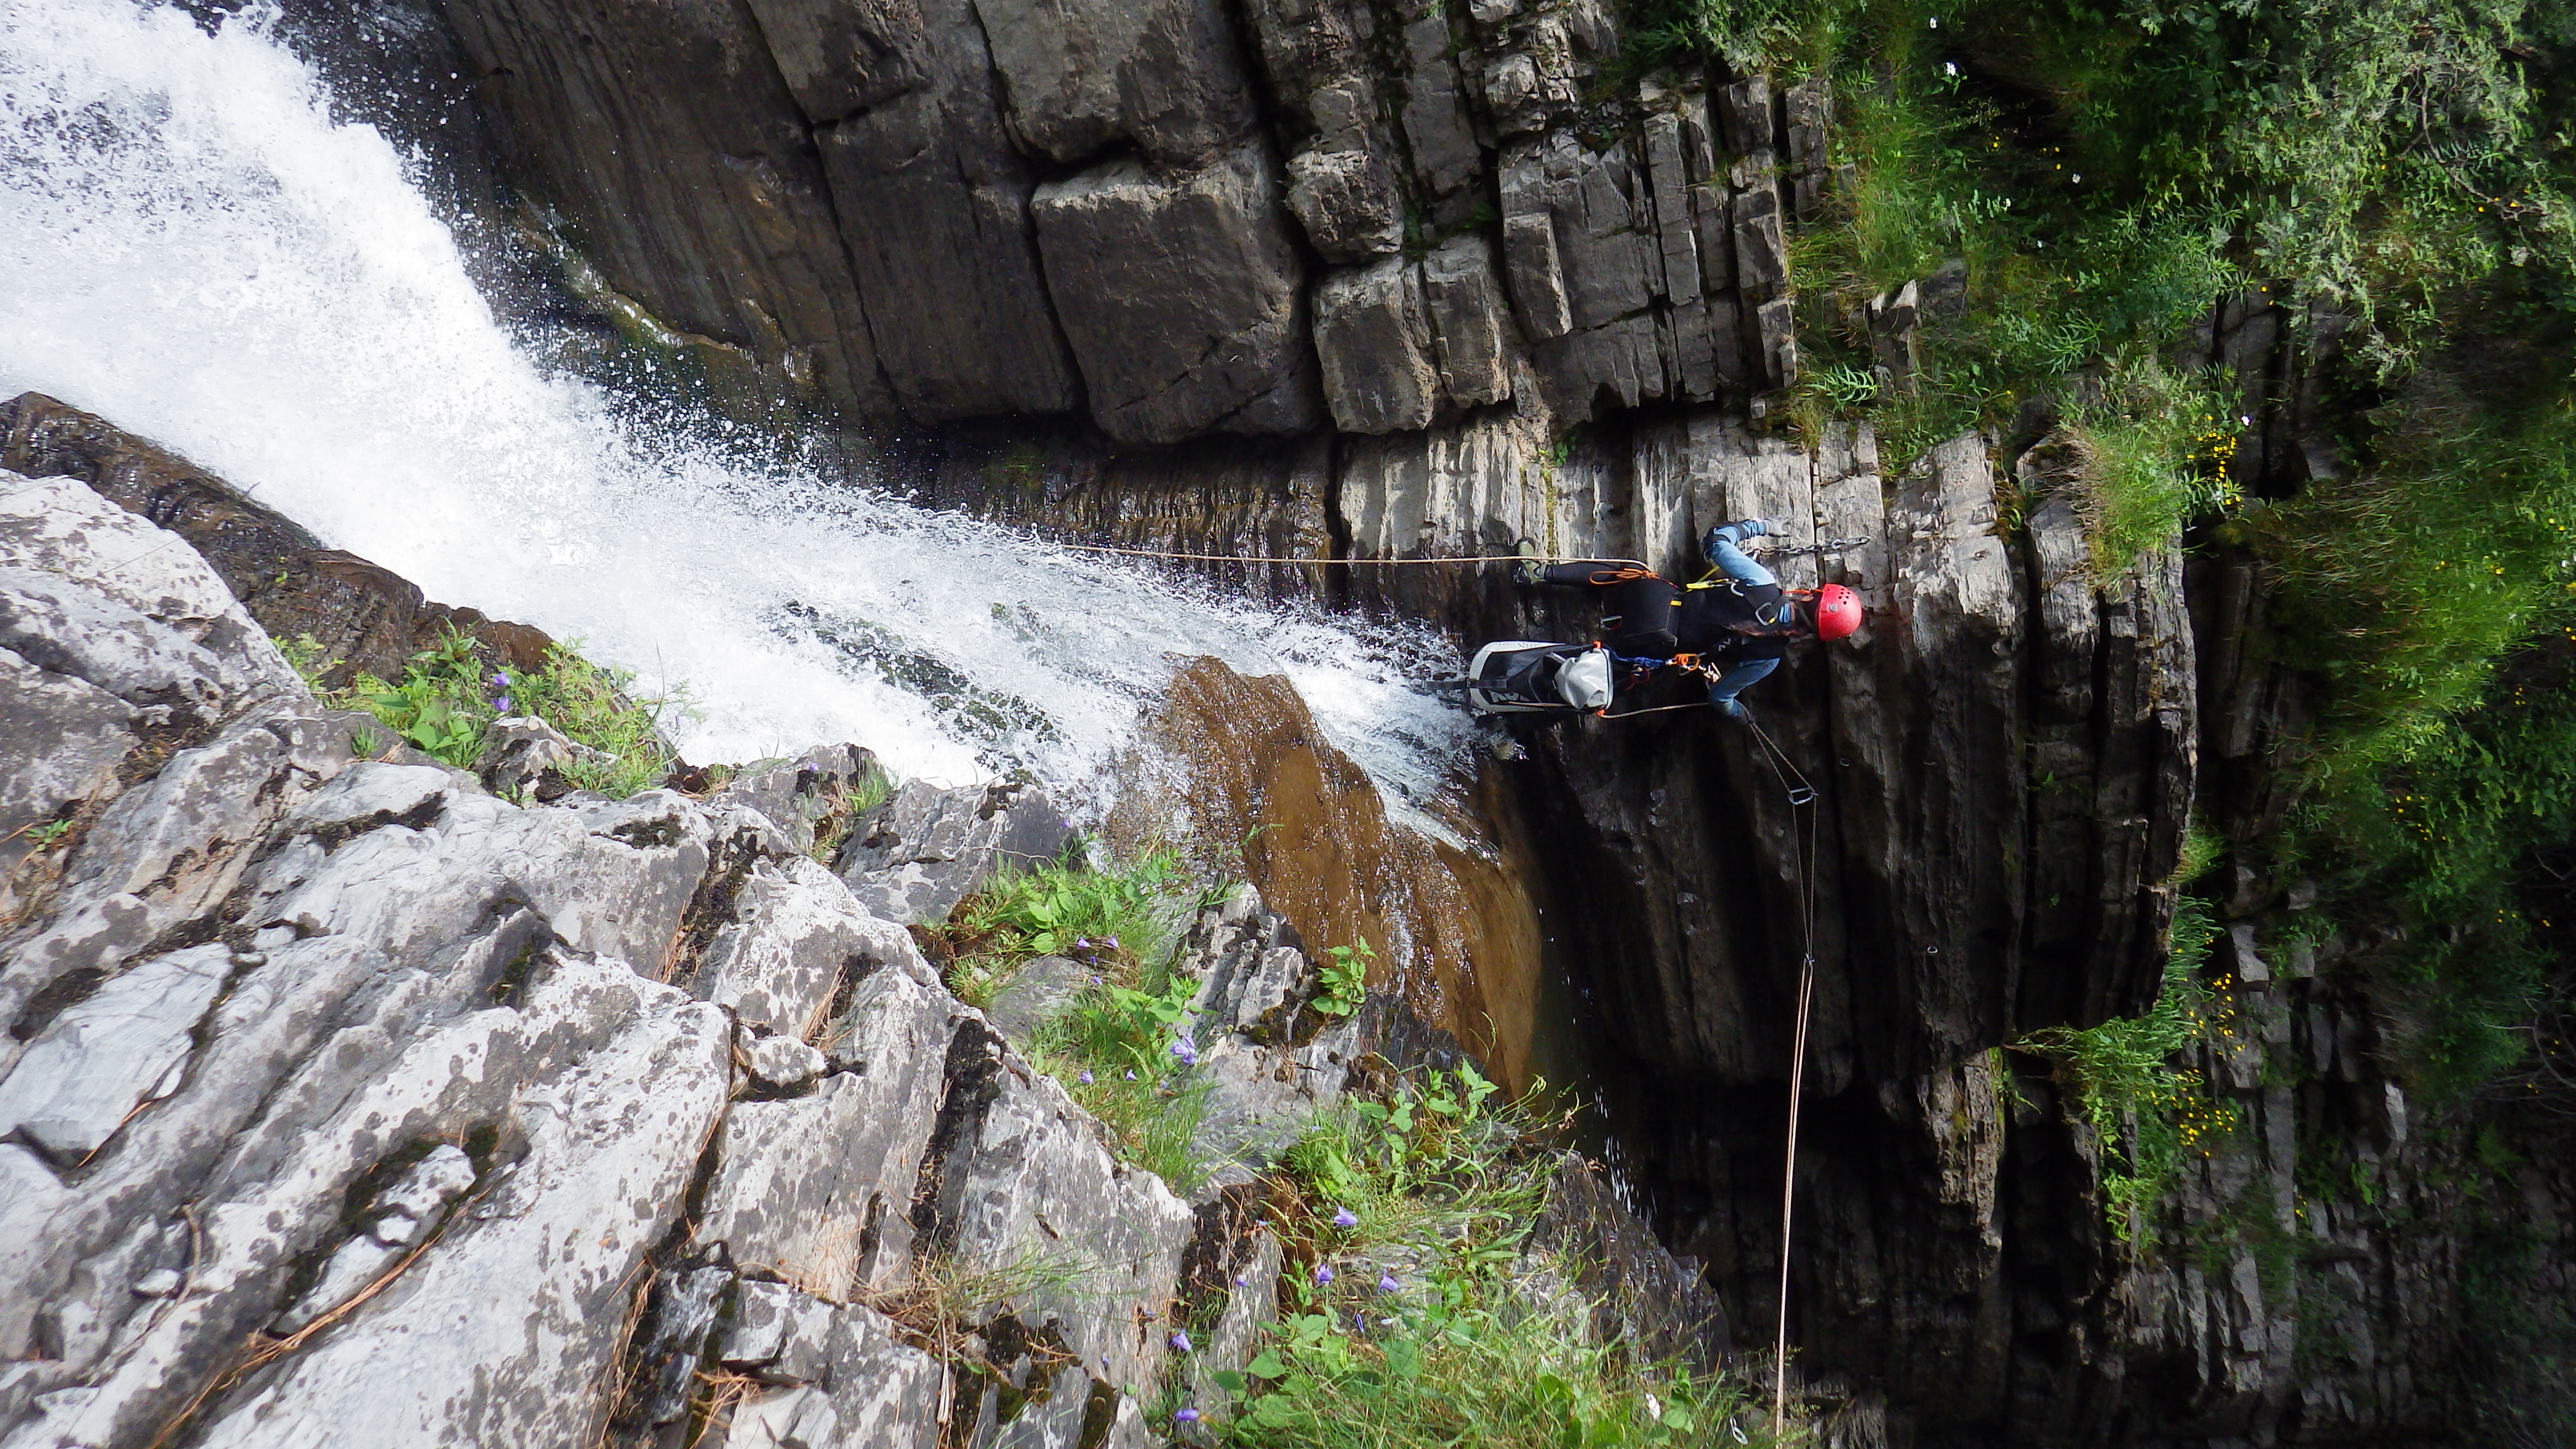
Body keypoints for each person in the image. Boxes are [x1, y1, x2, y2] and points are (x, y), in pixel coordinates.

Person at [1512, 518, 1860, 716]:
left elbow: (1717, 543)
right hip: (1650, 648)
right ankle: (1513, 717)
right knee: (1590, 686)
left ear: (1810, 594)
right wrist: (1741, 714)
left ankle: (1537, 573)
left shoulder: (1763, 585)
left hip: (1656, 602)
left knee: (1631, 571)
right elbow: (1720, 698)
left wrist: (1760, 526)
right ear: (1813, 636)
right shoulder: (1768, 660)